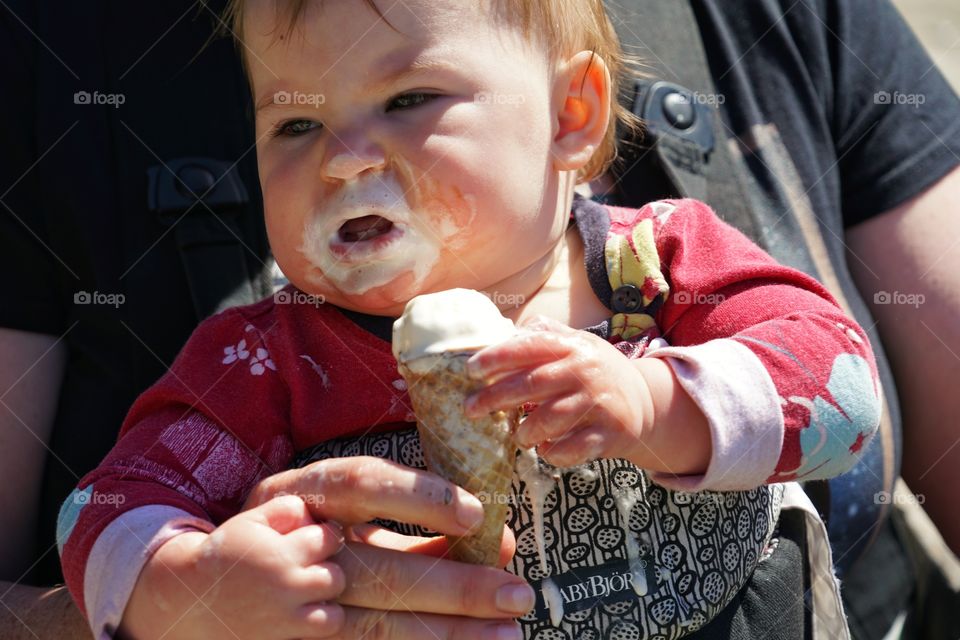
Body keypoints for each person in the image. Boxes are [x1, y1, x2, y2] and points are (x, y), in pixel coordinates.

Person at [3, 0, 958, 639]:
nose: (341, 160)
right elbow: (107, 506)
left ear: (571, 115)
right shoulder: (265, 357)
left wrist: (663, 400)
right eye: (293, 125)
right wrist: (188, 587)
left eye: (410, 99)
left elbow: (839, 386)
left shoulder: (659, 263)